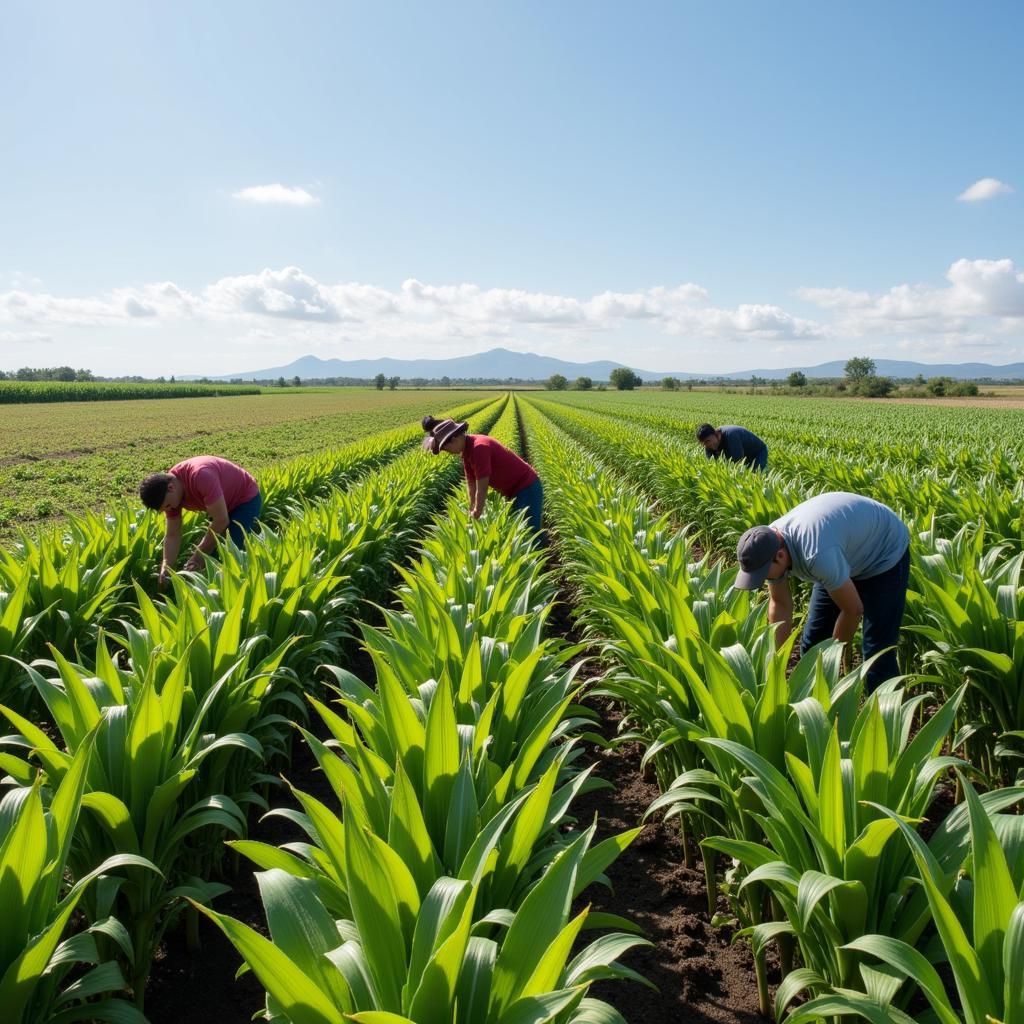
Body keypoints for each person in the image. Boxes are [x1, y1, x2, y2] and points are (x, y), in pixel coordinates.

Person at [733, 491, 911, 692]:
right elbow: (780, 604)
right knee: (813, 644)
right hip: (842, 550)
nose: (764, 578)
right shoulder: (768, 544)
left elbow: (853, 610)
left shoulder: (816, 554)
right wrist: (777, 666)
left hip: (883, 552)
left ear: (780, 556)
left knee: (877, 652)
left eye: (763, 573)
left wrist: (830, 663)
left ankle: (885, 715)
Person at [139, 455, 262, 586]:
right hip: (220, 505)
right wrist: (166, 567)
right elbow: (172, 534)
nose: (169, 509)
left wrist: (198, 555)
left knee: (228, 555)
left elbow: (221, 520)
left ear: (171, 488)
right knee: (210, 555)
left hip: (244, 499)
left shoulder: (201, 476)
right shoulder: (170, 494)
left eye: (168, 506)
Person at [421, 415, 544, 536]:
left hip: (527, 487)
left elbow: (482, 486)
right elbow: (471, 483)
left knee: (530, 532)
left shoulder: (479, 447)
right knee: (520, 529)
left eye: (446, 449)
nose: (448, 453)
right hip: (514, 491)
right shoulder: (466, 453)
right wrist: (471, 508)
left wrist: (477, 512)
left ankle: (542, 551)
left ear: (454, 439)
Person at [697, 423, 768, 470]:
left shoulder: (731, 436)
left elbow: (738, 463)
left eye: (708, 441)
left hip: (758, 452)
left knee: (756, 477)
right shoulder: (708, 445)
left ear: (715, 434)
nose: (707, 445)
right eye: (703, 443)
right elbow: (713, 465)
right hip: (744, 454)